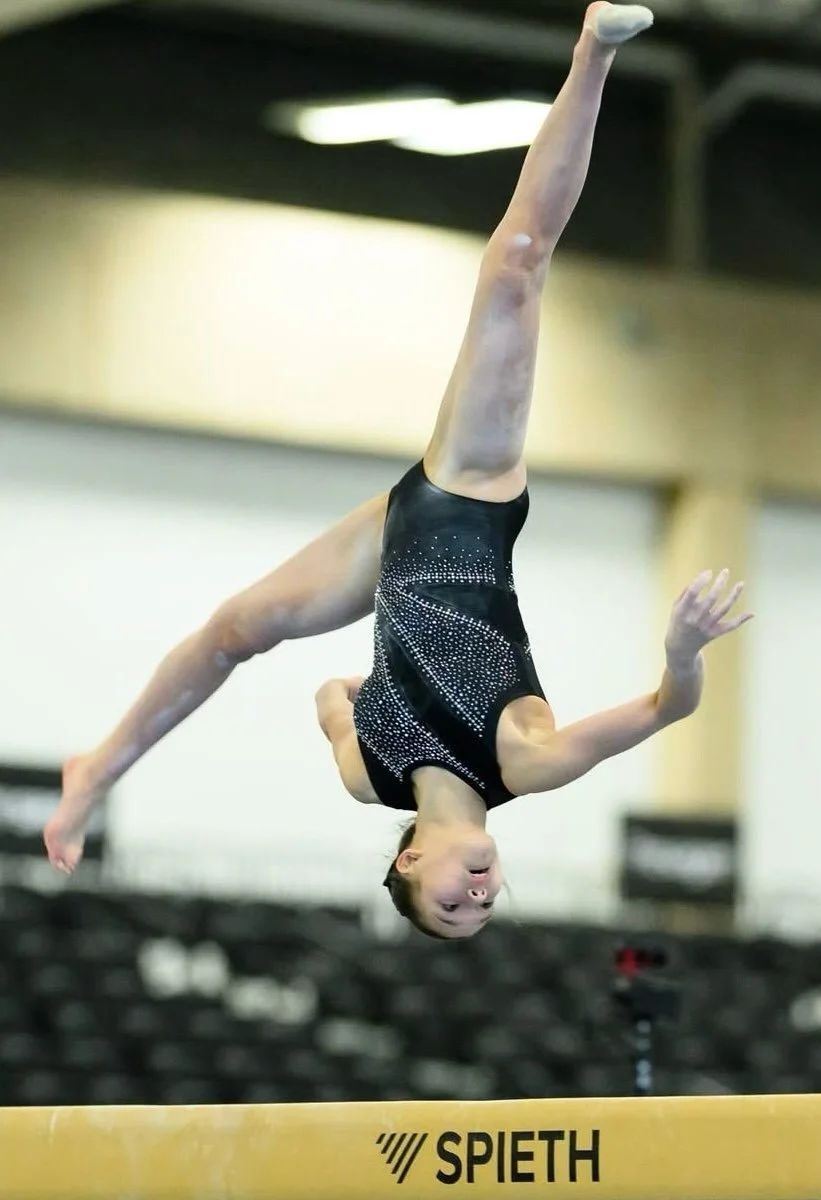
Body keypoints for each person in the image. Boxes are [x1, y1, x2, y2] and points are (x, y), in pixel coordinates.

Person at [44, 1, 753, 939]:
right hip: (468, 501)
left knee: (231, 633)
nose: (481, 894)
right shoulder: (523, 762)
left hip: (389, 544)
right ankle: (595, 50)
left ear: (408, 860)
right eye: (485, 908)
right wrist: (681, 653)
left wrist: (376, 676)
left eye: (451, 904)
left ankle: (93, 768)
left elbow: (330, 697)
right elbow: (667, 709)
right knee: (517, 265)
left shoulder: (364, 773)